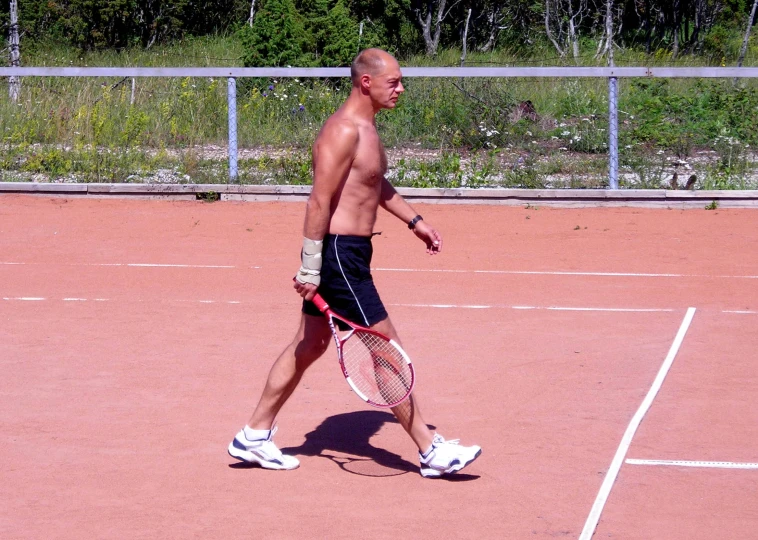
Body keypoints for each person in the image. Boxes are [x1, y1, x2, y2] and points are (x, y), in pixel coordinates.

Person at [228, 48, 481, 478]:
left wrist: (414, 221)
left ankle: (254, 434)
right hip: (338, 256)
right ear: (366, 82)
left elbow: (373, 182)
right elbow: (319, 200)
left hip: (352, 253)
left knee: (310, 344)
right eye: (394, 81)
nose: (401, 89)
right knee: (387, 351)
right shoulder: (342, 131)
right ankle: (430, 449)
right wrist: (310, 267)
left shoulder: (367, 129)